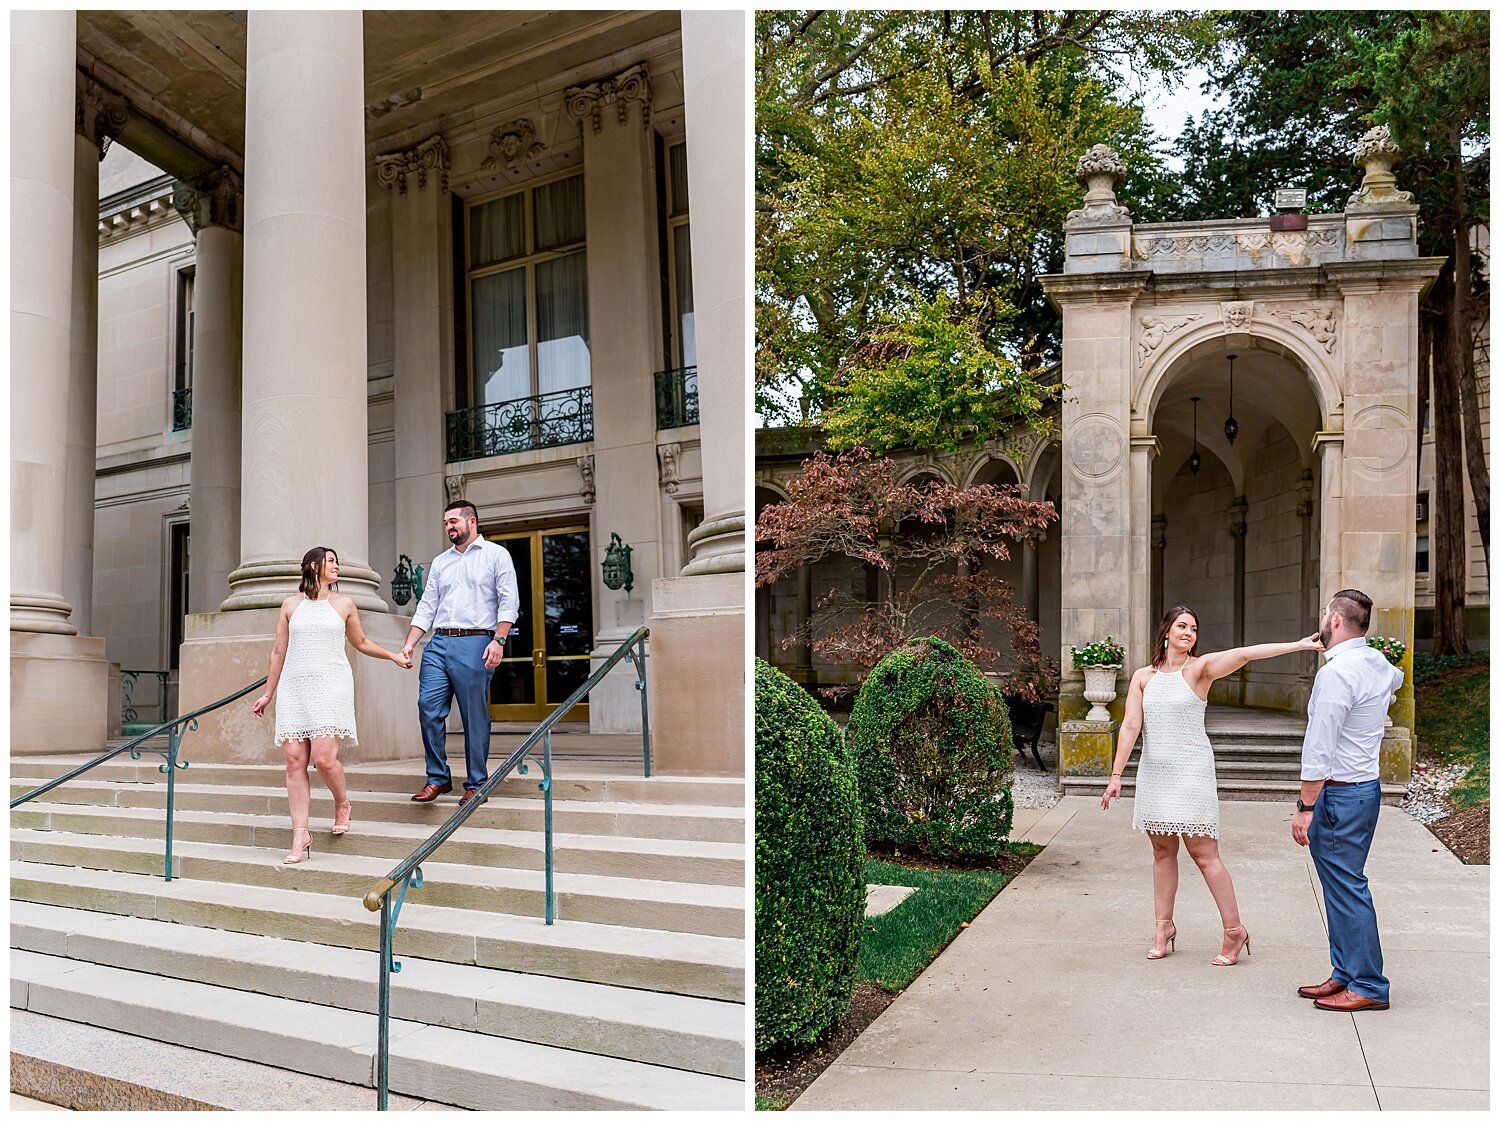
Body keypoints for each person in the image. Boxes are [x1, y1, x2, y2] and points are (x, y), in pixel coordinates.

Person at [1101, 606, 1323, 963]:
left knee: (1205, 856)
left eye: (1194, 628)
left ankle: (1235, 932)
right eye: (1182, 626)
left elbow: (1247, 653)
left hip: (1191, 773)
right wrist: (1115, 776)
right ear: (1166, 631)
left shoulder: (1200, 669)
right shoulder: (1144, 677)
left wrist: (1299, 645)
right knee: (1161, 853)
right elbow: (1130, 726)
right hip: (1154, 774)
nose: (1189, 632)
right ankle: (1163, 927)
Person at [252, 546, 412, 864]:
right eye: (331, 561)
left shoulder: (344, 604)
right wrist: (268, 694)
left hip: (331, 686)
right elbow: (278, 651)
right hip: (295, 688)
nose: (337, 566)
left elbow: (361, 642)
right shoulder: (290, 605)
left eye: (337, 562)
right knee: (294, 762)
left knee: (324, 760)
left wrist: (394, 655)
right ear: (314, 566)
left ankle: (342, 802)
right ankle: (300, 834)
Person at [1292, 589, 1401, 1012]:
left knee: (1348, 889)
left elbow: (1319, 748)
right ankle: (1345, 973)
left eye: (1324, 613)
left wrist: (1305, 808)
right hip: (1364, 790)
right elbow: (1396, 680)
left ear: (1335, 621)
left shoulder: (1337, 674)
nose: (1322, 618)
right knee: (1340, 887)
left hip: (1338, 796)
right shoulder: (1377, 663)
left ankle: (1369, 985)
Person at [401, 499, 520, 805]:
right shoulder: (441, 561)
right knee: (428, 707)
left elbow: (509, 602)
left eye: (454, 521)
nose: (449, 527)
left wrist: (499, 640)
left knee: (473, 716)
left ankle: (477, 782)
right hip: (438, 643)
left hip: (477, 642)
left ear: (472, 522)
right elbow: (427, 606)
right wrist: (410, 643)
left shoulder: (496, 555)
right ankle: (438, 778)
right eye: (445, 523)